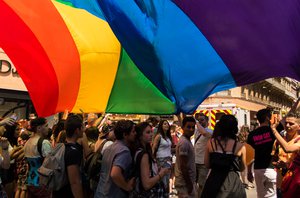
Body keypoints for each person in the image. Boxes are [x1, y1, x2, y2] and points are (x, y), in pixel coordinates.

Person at [201, 115, 246, 198]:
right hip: (233, 183)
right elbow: (242, 168)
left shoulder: (211, 143)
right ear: (234, 128)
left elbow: (207, 164)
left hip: (214, 181)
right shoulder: (240, 146)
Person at [95, 120, 136, 198]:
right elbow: (115, 174)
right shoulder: (124, 151)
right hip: (113, 193)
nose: (135, 134)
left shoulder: (110, 147)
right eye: (133, 132)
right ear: (125, 135)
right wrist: (127, 186)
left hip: (101, 192)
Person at [131, 122, 169, 197]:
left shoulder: (138, 150)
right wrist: (161, 173)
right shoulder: (144, 154)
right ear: (140, 135)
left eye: (151, 132)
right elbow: (146, 184)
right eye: (148, 132)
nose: (151, 135)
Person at [247, 108, 277, 198]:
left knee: (260, 195)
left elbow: (250, 155)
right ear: (268, 118)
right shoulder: (273, 132)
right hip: (271, 168)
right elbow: (285, 120)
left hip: (258, 169)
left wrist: (249, 172)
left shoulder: (252, 134)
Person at [53, 115, 85, 198]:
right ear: (77, 130)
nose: (84, 130)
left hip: (58, 191)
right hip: (67, 193)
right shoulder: (73, 152)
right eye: (82, 127)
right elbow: (74, 182)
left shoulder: (62, 146)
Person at [271, 113, 300, 197]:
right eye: (286, 123)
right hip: (281, 184)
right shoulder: (278, 141)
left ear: (299, 126)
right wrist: (277, 164)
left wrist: (274, 130)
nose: (287, 125)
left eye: (291, 124)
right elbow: (273, 158)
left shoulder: (298, 141)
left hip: (295, 185)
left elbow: (287, 148)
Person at [24, 117, 52, 198]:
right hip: (42, 183)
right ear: (39, 128)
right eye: (46, 126)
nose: (48, 128)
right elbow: (50, 164)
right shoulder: (44, 142)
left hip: (30, 181)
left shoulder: (27, 142)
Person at [175, 116, 197, 198]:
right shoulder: (184, 143)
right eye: (188, 127)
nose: (191, 129)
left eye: (193, 127)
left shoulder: (187, 140)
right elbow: (183, 166)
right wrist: (189, 184)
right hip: (184, 184)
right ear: (183, 127)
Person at [193, 113, 213, 197]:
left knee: (202, 185)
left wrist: (196, 121)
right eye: (199, 120)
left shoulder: (210, 131)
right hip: (194, 162)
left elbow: (204, 133)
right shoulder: (196, 131)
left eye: (202, 120)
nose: (200, 122)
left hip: (203, 164)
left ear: (207, 121)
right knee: (194, 184)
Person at [152, 120, 172, 197]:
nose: (167, 125)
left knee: (167, 181)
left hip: (168, 160)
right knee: (162, 181)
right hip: (161, 160)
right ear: (161, 126)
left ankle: (166, 195)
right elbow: (153, 149)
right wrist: (154, 161)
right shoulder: (158, 136)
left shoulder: (168, 136)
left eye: (167, 124)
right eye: (164, 124)